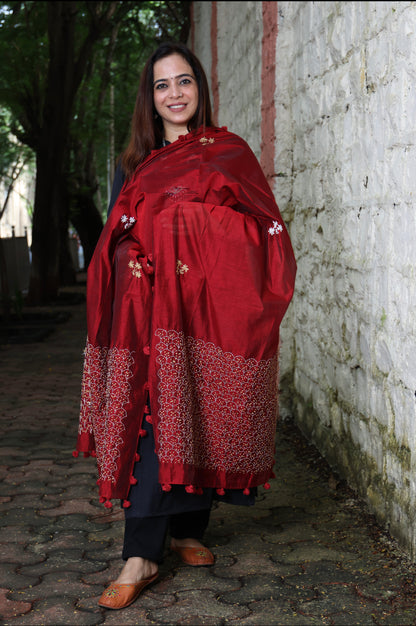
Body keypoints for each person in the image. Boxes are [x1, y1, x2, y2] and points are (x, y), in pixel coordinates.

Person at [75, 41, 296, 611]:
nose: (174, 94)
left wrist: (189, 228)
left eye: (184, 82)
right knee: (154, 421)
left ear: (199, 87)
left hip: (210, 308)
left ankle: (187, 529)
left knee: (201, 409)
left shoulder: (229, 153)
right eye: (161, 85)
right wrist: (131, 257)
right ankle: (141, 553)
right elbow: (116, 236)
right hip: (149, 315)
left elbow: (264, 228)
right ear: (149, 100)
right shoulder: (140, 167)